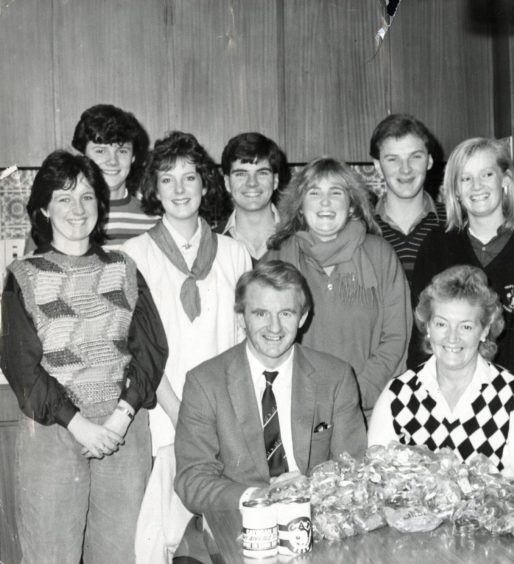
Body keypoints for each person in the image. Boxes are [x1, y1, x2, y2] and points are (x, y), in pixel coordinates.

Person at [1, 151, 168, 563]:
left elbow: (149, 349)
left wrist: (119, 418)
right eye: (63, 198)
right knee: (50, 554)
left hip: (122, 433)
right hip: (53, 432)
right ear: (43, 208)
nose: (77, 209)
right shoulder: (24, 274)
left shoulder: (124, 268)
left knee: (121, 554)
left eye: (87, 197)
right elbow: (22, 366)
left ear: (100, 205)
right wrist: (79, 425)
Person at [121, 131, 252, 562]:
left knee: (219, 532)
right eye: (167, 179)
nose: (180, 190)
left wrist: (217, 417)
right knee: (162, 531)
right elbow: (138, 348)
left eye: (190, 178)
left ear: (205, 184)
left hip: (224, 416)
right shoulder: (133, 254)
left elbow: (240, 341)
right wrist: (182, 414)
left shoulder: (235, 254)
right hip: (162, 415)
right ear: (153, 190)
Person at [175, 260, 367, 513]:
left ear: (303, 318)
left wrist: (307, 491)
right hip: (240, 520)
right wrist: (261, 497)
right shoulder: (205, 382)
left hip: (316, 515)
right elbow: (193, 481)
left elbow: (354, 469)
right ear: (241, 318)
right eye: (261, 313)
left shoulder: (335, 377)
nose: (274, 327)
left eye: (286, 313)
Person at [412, 138, 514, 405]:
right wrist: (426, 400)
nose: (477, 186)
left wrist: (513, 407)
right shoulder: (435, 245)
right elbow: (422, 334)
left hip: (512, 398)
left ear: (505, 180)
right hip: (443, 398)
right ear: (455, 190)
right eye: (466, 179)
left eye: (486, 174)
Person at [261, 157, 411, 416]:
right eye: (314, 192)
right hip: (297, 411)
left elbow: (397, 336)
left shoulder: (380, 255)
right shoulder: (275, 259)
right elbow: (263, 339)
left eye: (336, 192)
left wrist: (355, 394)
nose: (325, 202)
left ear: (351, 205)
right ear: (299, 206)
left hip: (369, 409)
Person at [368, 265, 514, 478]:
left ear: (485, 330)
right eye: (442, 324)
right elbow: (374, 484)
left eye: (466, 327)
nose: (452, 338)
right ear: (427, 327)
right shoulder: (397, 394)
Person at [370, 114, 445, 284]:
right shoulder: (361, 226)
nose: (405, 169)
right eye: (392, 159)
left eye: (415, 157)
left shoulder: (455, 222)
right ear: (378, 166)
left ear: (429, 160)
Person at [71, 104, 159, 248]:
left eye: (122, 151)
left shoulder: (155, 220)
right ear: (83, 156)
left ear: (133, 157)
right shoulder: (68, 217)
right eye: (100, 151)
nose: (113, 161)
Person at [217, 132, 289, 261]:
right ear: (227, 183)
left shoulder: (299, 238)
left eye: (262, 173)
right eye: (241, 174)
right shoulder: (211, 243)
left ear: (275, 180)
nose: (252, 183)